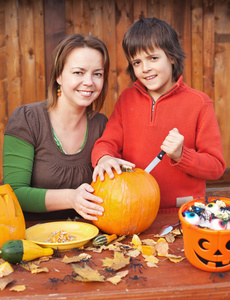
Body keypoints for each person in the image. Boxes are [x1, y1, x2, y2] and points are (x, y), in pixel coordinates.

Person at [91, 17, 226, 213]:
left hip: (182, 211)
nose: (145, 68)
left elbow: (216, 166)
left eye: (153, 58)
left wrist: (182, 155)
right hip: (134, 209)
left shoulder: (199, 103)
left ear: (171, 57)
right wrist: (103, 158)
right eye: (137, 62)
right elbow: (106, 143)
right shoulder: (126, 99)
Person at [3, 34, 110, 221]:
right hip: (28, 236)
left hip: (83, 236)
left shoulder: (101, 125)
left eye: (97, 74)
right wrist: (71, 198)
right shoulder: (28, 119)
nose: (89, 82)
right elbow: (14, 194)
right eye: (78, 72)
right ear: (59, 75)